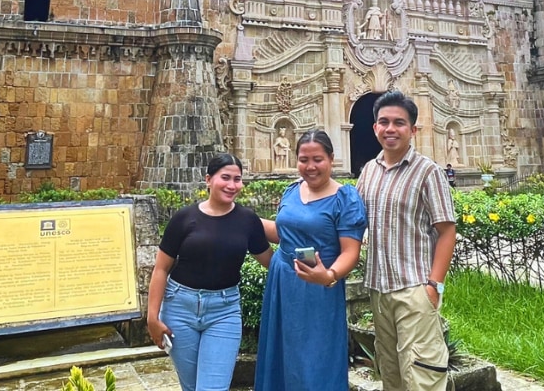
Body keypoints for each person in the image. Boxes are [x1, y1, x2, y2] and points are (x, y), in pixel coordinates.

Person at [357, 91, 458, 391]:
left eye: (399, 123)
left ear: (413, 130)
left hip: (414, 289)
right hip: (378, 290)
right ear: (374, 128)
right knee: (391, 375)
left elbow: (447, 231)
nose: (391, 129)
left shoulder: (428, 172)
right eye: (384, 122)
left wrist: (434, 286)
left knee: (421, 378)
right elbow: (356, 224)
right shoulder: (368, 172)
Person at [147, 154, 272, 391]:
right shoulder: (185, 218)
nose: (232, 185)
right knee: (192, 387)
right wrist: (152, 318)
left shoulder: (248, 220)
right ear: (208, 179)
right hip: (179, 309)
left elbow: (271, 262)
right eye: (225, 177)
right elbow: (161, 269)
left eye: (237, 179)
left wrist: (310, 267)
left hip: (223, 312)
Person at [255, 130, 368, 391]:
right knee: (281, 356)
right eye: (304, 159)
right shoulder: (292, 191)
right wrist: (243, 219)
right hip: (283, 283)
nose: (310, 166)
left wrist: (328, 276)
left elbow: (350, 251)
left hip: (320, 288)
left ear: (331, 158)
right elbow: (284, 233)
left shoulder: (345, 198)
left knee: (314, 360)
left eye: (317, 159)